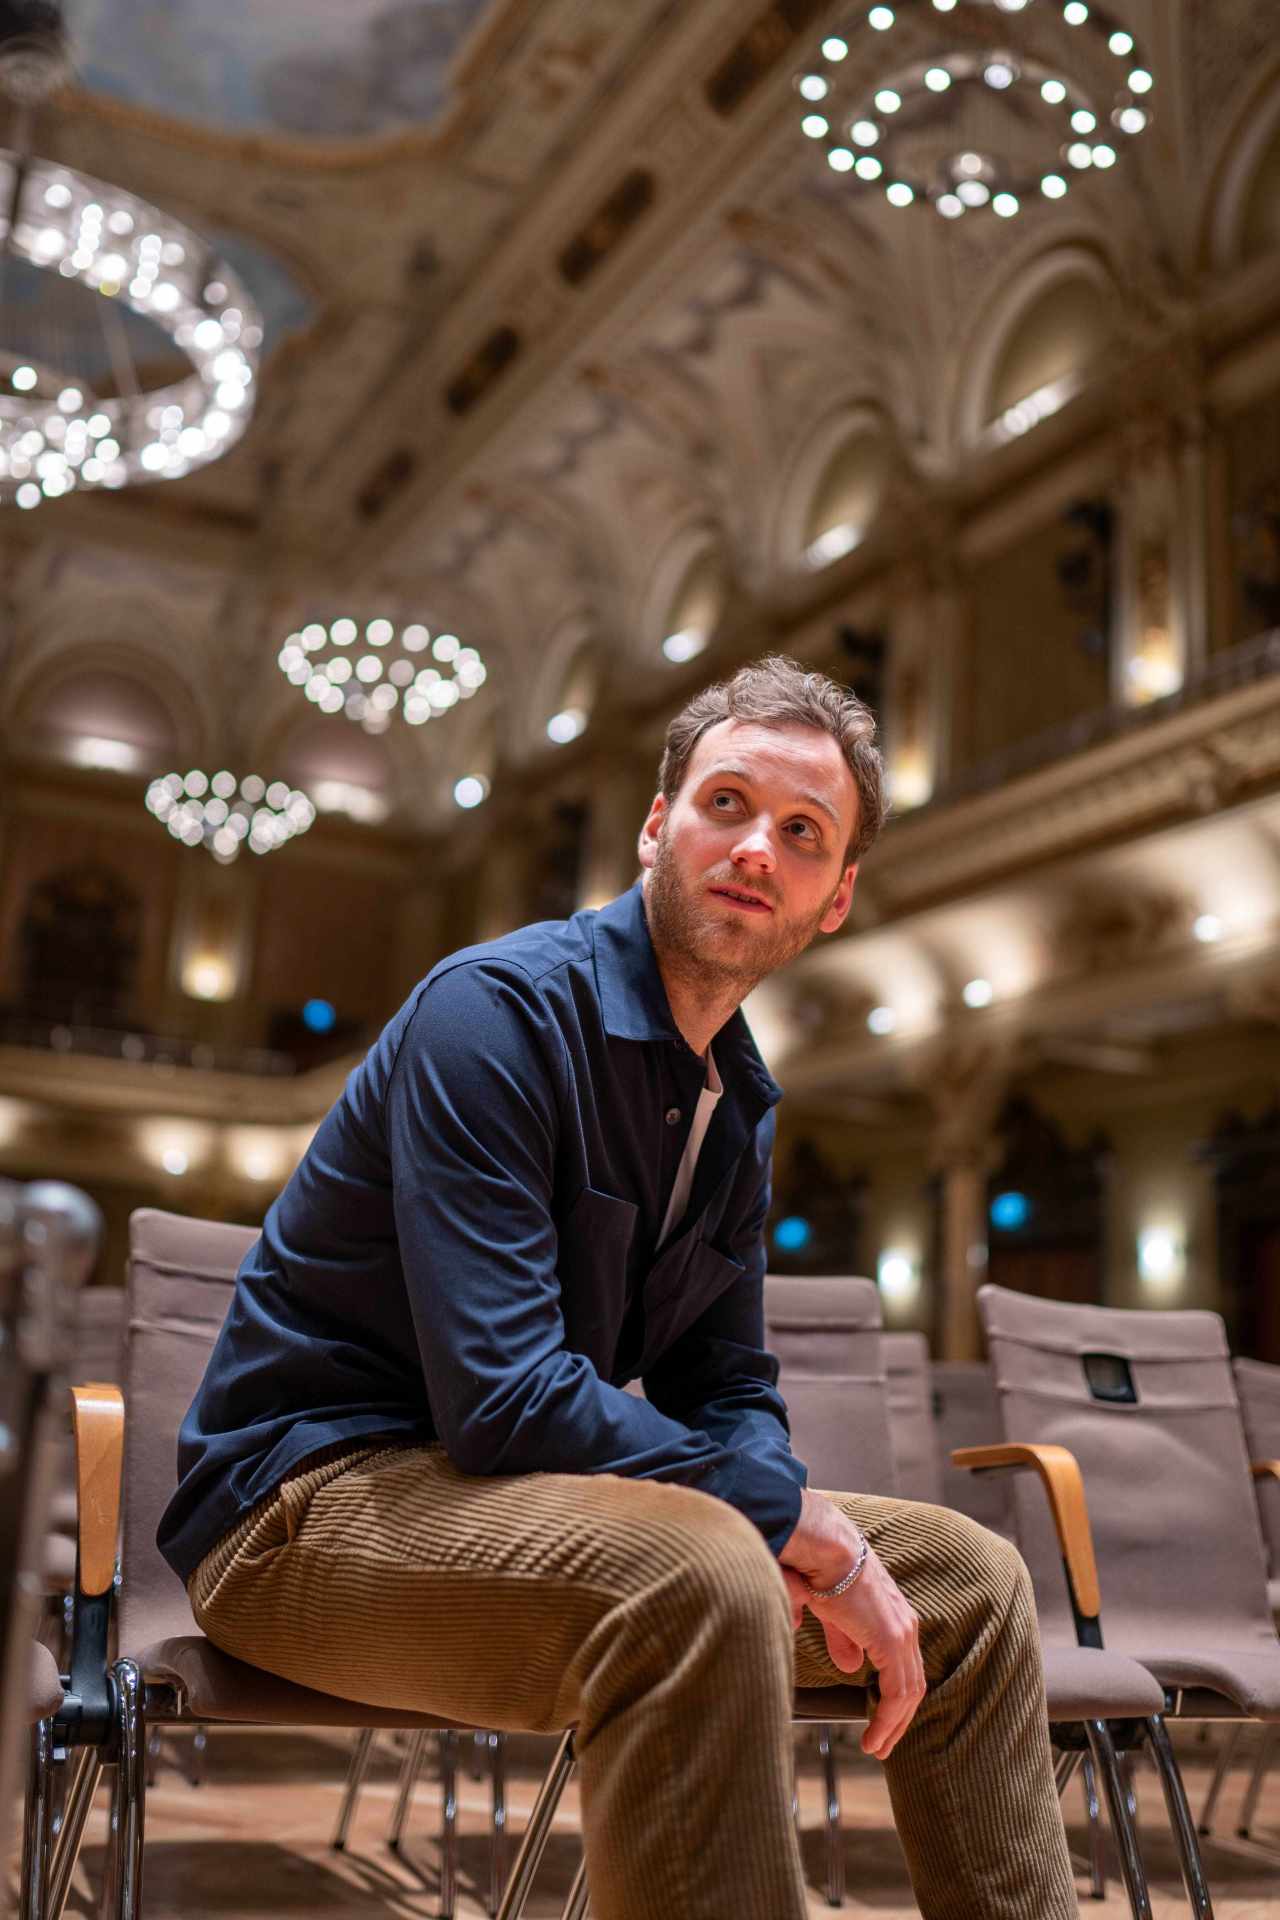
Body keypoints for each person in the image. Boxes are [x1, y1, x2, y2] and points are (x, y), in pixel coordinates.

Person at [159, 656, 1076, 1919]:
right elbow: (504, 1396)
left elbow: (727, 1378)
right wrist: (783, 1523)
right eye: (726, 805)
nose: (756, 847)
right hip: (304, 1509)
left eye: (801, 833)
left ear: (836, 895)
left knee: (966, 1582)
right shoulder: (494, 1015)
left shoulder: (735, 1098)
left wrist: (776, 1505)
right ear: (657, 825)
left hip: (515, 1505)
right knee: (699, 1568)